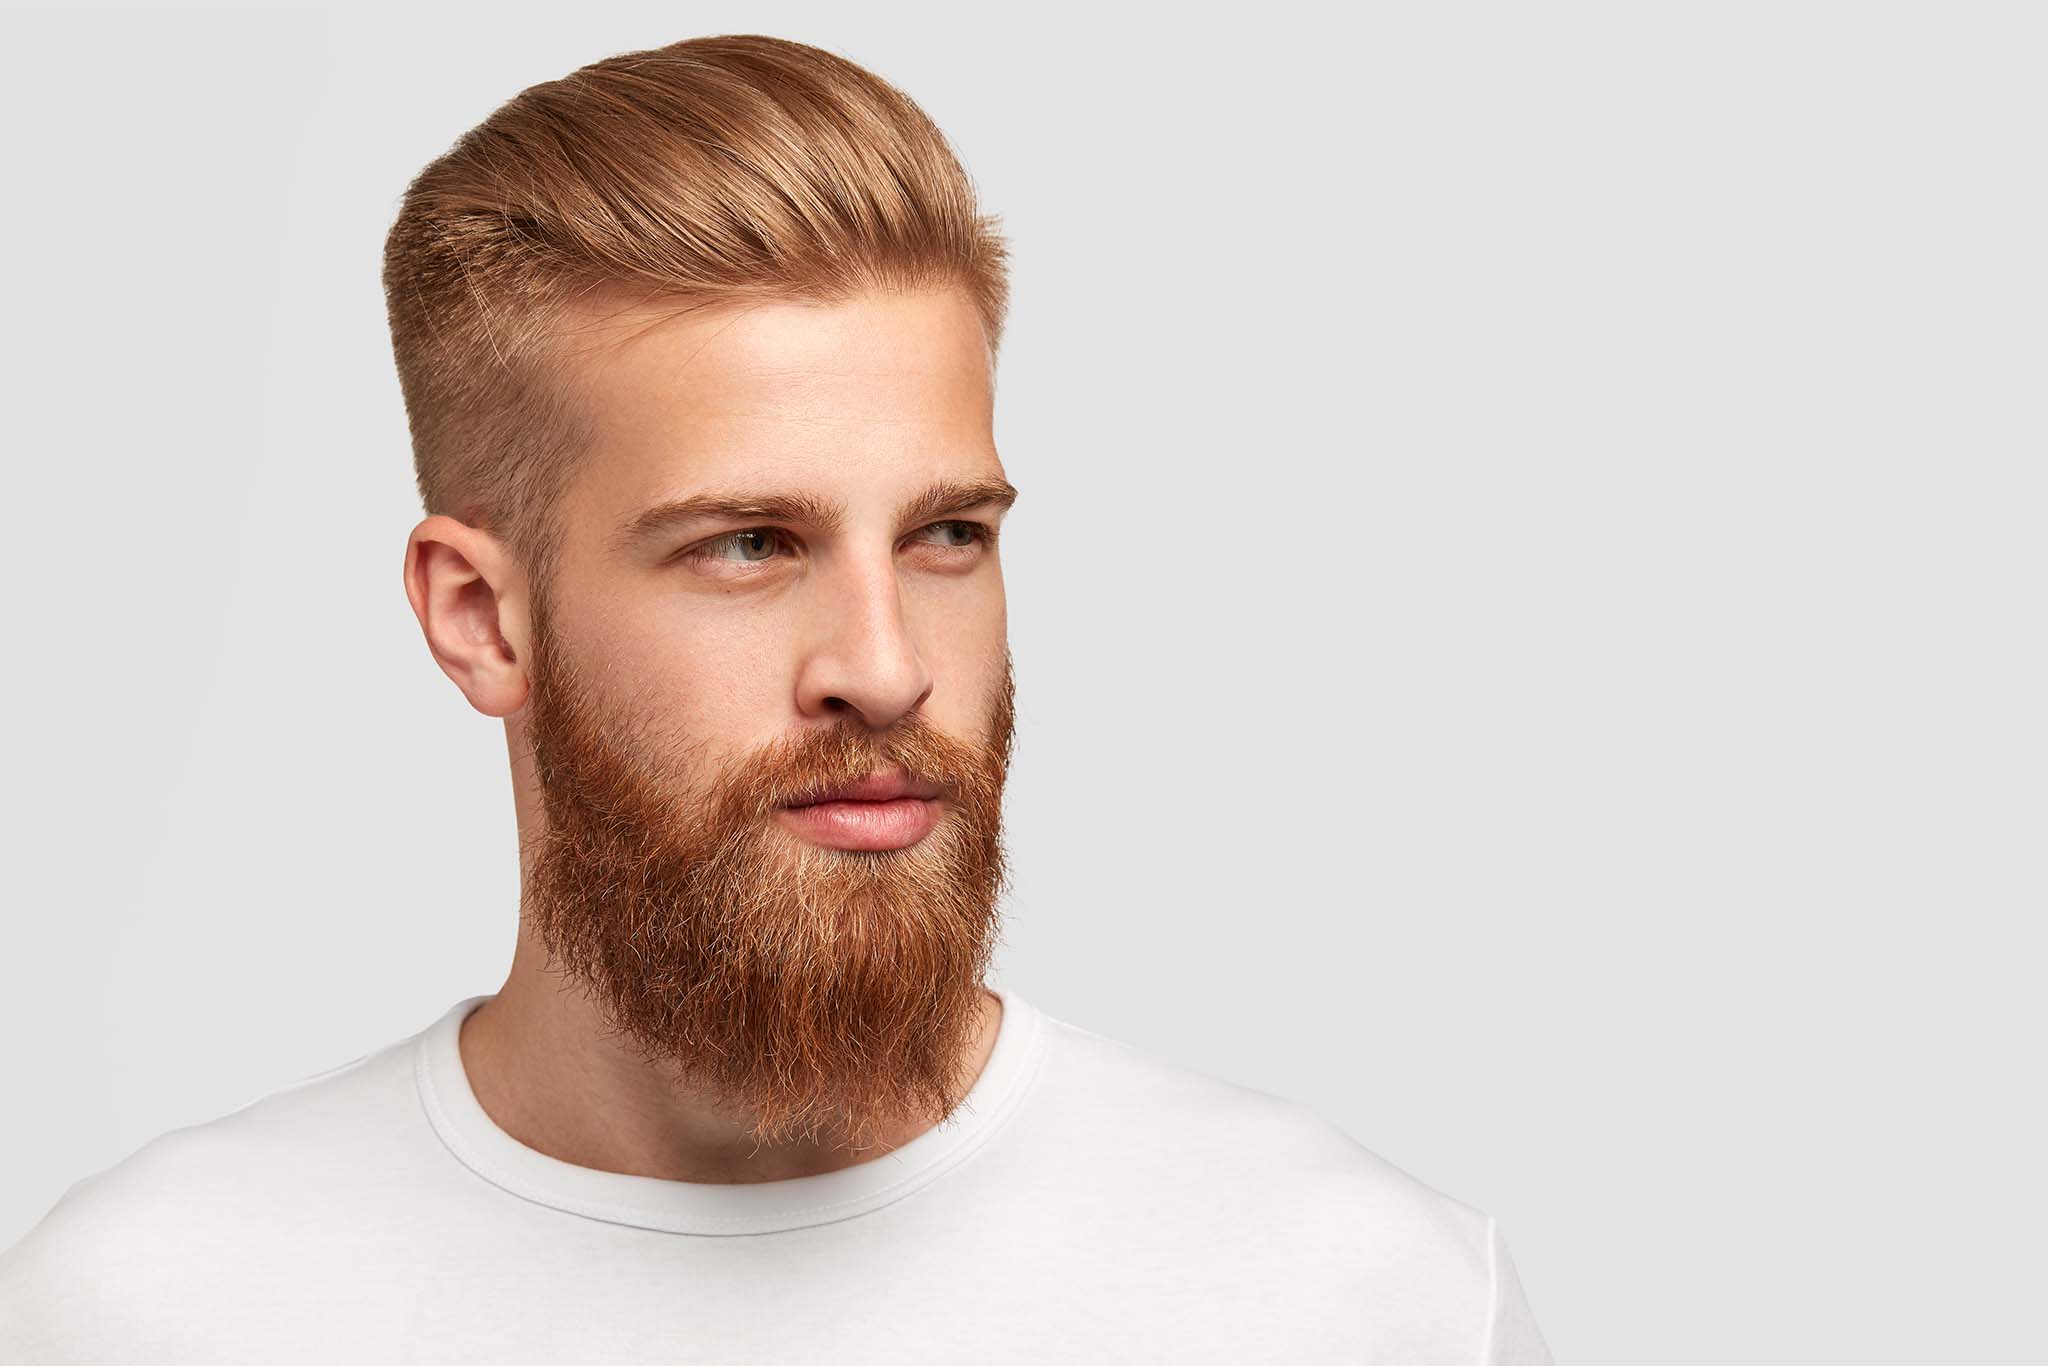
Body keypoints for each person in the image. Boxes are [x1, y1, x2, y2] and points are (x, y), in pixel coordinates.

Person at [0, 33, 1553, 1364]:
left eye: (947, 535)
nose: (886, 665)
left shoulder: (1362, 1301)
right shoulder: (147, 1313)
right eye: (750, 544)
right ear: (479, 616)